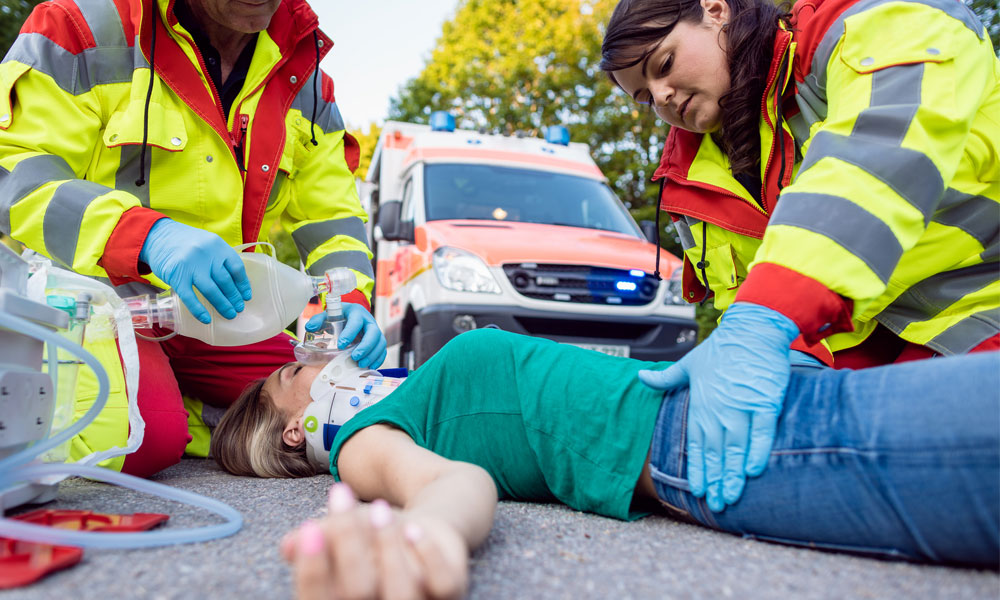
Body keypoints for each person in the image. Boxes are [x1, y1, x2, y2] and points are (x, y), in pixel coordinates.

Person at [212, 328, 998, 598]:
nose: (313, 356)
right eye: (295, 371)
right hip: (696, 447)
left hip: (724, 395)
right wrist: (433, 542)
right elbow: (455, 485)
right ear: (294, 432)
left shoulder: (405, 391)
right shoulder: (362, 444)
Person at [598, 0, 999, 512]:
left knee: (936, 470)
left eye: (664, 64)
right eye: (643, 96)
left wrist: (763, 321)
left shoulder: (877, 24)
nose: (661, 97)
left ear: (716, 11)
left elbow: (872, 166)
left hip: (983, 310)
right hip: (875, 350)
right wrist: (784, 357)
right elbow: (746, 298)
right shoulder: (696, 175)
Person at [0, 0, 386, 477]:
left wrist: (348, 302)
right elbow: (13, 168)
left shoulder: (303, 79)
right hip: (97, 300)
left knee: (325, 394)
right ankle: (168, 417)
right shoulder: (82, 27)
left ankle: (171, 403)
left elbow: (333, 218)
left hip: (221, 311)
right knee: (146, 437)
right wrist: (147, 237)